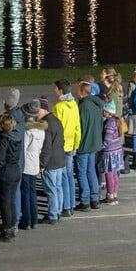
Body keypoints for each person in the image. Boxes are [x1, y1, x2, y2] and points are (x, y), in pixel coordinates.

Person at [51, 80, 80, 217]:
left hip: (61, 145)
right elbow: (77, 127)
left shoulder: (59, 107)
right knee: (69, 175)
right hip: (70, 144)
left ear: (60, 90)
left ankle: (66, 206)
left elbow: (56, 128)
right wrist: (76, 144)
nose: (54, 91)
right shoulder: (74, 104)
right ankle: (71, 204)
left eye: (55, 88)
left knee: (62, 176)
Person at [75, 81, 105, 209]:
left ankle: (85, 200)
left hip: (84, 144)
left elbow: (80, 126)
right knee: (91, 170)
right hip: (94, 143)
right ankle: (94, 198)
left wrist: (77, 144)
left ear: (82, 92)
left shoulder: (83, 106)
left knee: (82, 172)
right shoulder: (96, 104)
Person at [0, 113, 21, 241]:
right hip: (15, 170)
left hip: (6, 173)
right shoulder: (17, 137)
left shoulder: (4, 139)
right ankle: (11, 225)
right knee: (11, 201)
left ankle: (7, 229)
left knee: (5, 202)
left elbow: (0, 159)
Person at [37, 97, 65, 225]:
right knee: (58, 187)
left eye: (37, 111)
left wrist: (42, 164)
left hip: (51, 162)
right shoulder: (56, 120)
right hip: (60, 160)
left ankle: (53, 214)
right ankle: (58, 211)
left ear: (43, 110)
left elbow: (47, 147)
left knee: (51, 189)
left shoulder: (45, 125)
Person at [1, 88, 26, 231]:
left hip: (12, 163)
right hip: (19, 161)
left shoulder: (10, 119)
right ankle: (15, 219)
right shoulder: (20, 115)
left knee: (12, 195)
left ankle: (13, 222)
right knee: (15, 192)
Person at [19, 100, 46, 229]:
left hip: (26, 165)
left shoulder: (27, 130)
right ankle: (34, 220)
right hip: (35, 163)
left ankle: (27, 220)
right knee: (32, 192)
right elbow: (40, 148)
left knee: (25, 193)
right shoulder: (41, 130)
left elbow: (23, 149)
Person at [101, 100, 125, 204]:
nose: (103, 112)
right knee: (115, 174)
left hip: (110, 152)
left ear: (109, 112)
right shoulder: (116, 121)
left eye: (105, 111)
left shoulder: (109, 123)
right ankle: (114, 193)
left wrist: (101, 146)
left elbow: (107, 138)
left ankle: (110, 195)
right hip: (117, 150)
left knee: (109, 175)